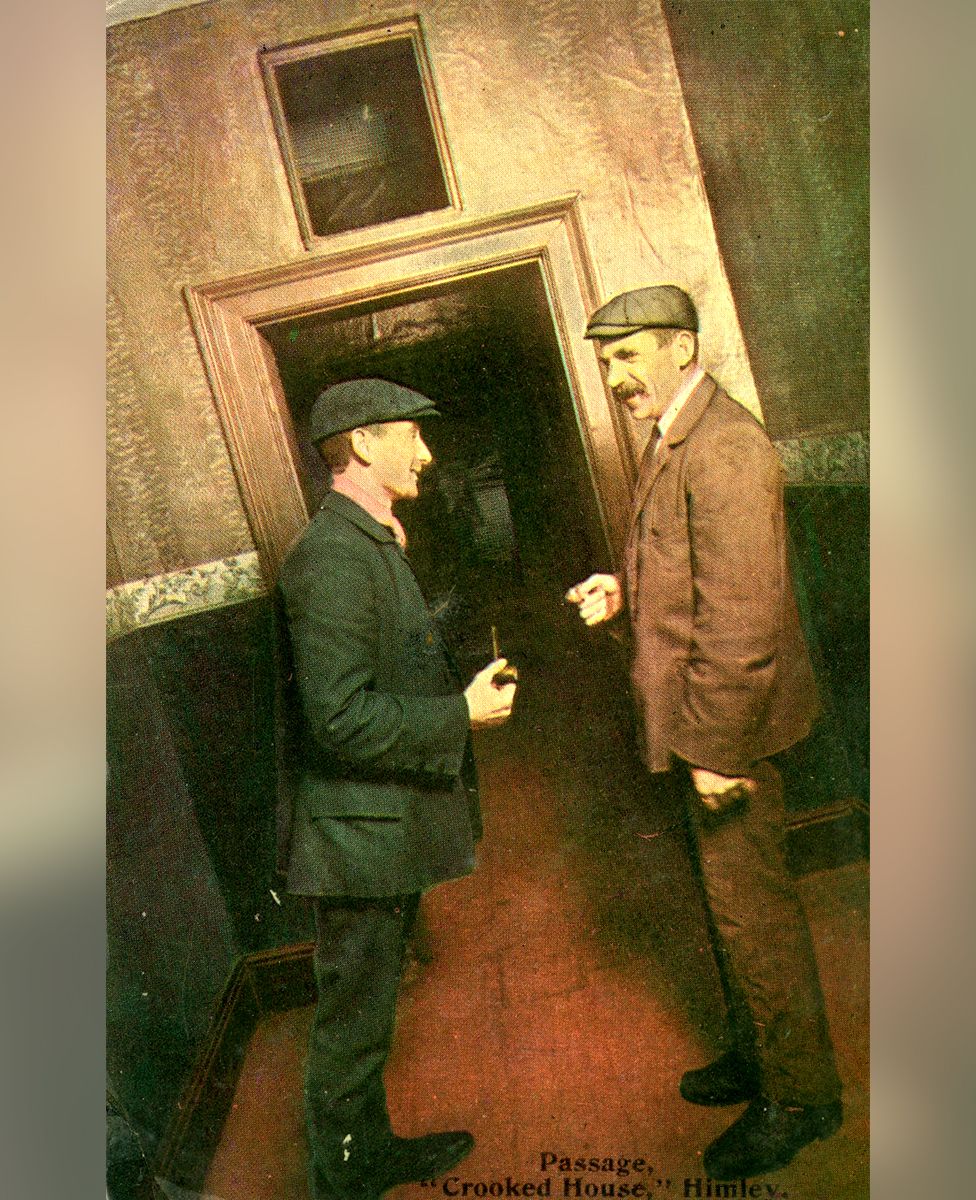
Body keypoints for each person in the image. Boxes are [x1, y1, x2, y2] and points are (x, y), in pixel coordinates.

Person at [566, 286, 842, 1180]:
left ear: (681, 347)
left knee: (754, 917)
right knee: (731, 909)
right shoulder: (682, 432)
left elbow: (742, 622)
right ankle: (762, 1055)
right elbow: (688, 572)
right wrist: (625, 591)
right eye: (606, 360)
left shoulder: (725, 447)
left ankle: (800, 1099)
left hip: (727, 734)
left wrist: (716, 753)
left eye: (629, 355)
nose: (614, 377)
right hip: (699, 727)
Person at [275, 378, 517, 1199]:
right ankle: (341, 1182)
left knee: (366, 1017)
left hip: (373, 829)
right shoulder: (334, 555)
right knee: (353, 1027)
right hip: (357, 838)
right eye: (412, 436)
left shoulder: (368, 538)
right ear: (365, 445)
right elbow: (337, 721)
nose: (427, 451)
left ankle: (364, 1155)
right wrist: (459, 714)